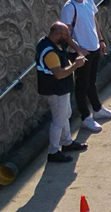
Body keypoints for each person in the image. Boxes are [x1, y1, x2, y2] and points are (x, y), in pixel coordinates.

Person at [60, 0, 111, 134]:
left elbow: (93, 20)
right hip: (81, 52)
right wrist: (79, 50)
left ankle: (98, 109)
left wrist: (100, 40)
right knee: (81, 86)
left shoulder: (88, 0)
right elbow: (65, 33)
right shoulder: (69, 8)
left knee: (91, 81)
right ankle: (86, 118)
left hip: (94, 47)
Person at [34, 21, 87, 164]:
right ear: (58, 35)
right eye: (66, 35)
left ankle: (67, 142)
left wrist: (78, 49)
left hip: (61, 89)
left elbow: (67, 40)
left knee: (66, 115)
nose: (68, 38)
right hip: (55, 91)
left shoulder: (49, 42)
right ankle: (53, 152)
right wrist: (76, 64)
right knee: (58, 121)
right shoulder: (51, 53)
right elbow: (59, 74)